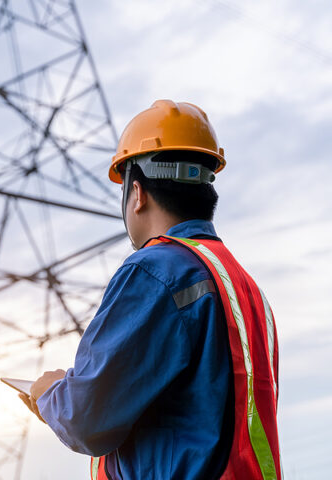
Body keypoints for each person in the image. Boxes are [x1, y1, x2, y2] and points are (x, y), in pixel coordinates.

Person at [19, 100, 281, 479]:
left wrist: (50, 394)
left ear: (136, 193)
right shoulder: (244, 286)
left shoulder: (157, 269)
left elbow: (87, 417)